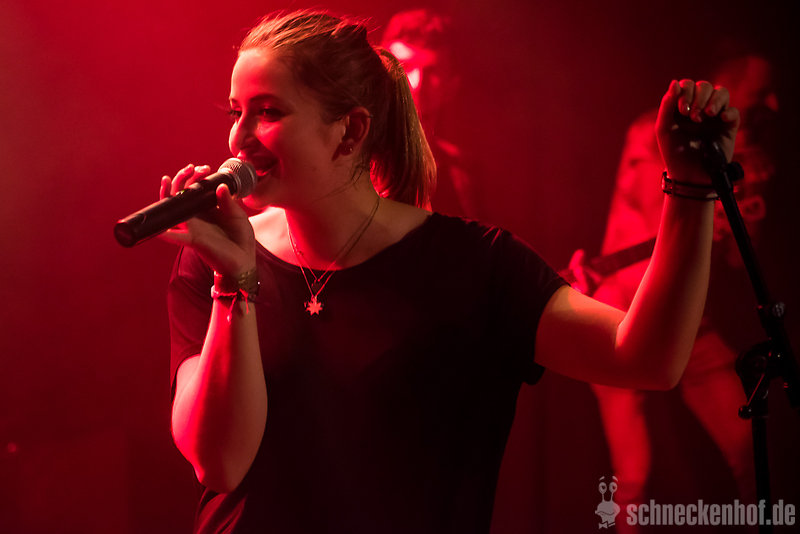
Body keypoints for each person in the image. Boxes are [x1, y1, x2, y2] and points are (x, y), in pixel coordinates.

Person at [160, 10, 739, 533]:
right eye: (237, 112)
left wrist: (691, 190)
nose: (238, 138)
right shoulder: (218, 258)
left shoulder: (474, 265)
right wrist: (233, 283)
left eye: (268, 112)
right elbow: (220, 463)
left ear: (352, 131)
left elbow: (648, 359)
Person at [574, 54, 779, 524]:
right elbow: (664, 223)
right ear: (727, 88)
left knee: (750, 447)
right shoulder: (655, 132)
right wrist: (717, 193)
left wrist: (746, 212)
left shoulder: (742, 156)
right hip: (619, 314)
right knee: (634, 477)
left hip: (686, 317)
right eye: (760, 93)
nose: (773, 103)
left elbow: (733, 258)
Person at [380, 8, 482, 218]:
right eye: (404, 67)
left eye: (432, 72)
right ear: (380, 74)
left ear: (452, 85)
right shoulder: (352, 162)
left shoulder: (464, 172)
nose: (417, 84)